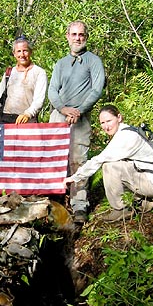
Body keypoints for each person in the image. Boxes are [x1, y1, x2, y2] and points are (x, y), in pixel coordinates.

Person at [63, 105, 153, 222]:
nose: (106, 126)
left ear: (119, 117)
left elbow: (98, 160)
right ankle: (143, 200)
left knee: (109, 166)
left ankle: (121, 209)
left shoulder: (125, 137)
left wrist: (73, 178)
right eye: (102, 123)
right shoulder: (128, 130)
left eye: (109, 121)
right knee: (119, 163)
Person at [48, 20, 105, 223]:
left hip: (80, 117)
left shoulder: (93, 61)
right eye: (74, 34)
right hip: (58, 115)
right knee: (54, 158)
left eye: (81, 34)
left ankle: (79, 204)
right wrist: (63, 109)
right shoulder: (60, 63)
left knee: (78, 160)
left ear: (86, 37)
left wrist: (79, 111)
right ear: (67, 36)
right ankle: (53, 199)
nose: (77, 38)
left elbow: (96, 89)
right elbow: (52, 90)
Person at [0, 35, 48, 125]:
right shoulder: (9, 73)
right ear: (14, 54)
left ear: (30, 52)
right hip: (6, 119)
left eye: (25, 51)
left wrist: (28, 114)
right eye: (19, 51)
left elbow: (39, 100)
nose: (22, 55)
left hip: (27, 120)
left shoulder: (39, 72)